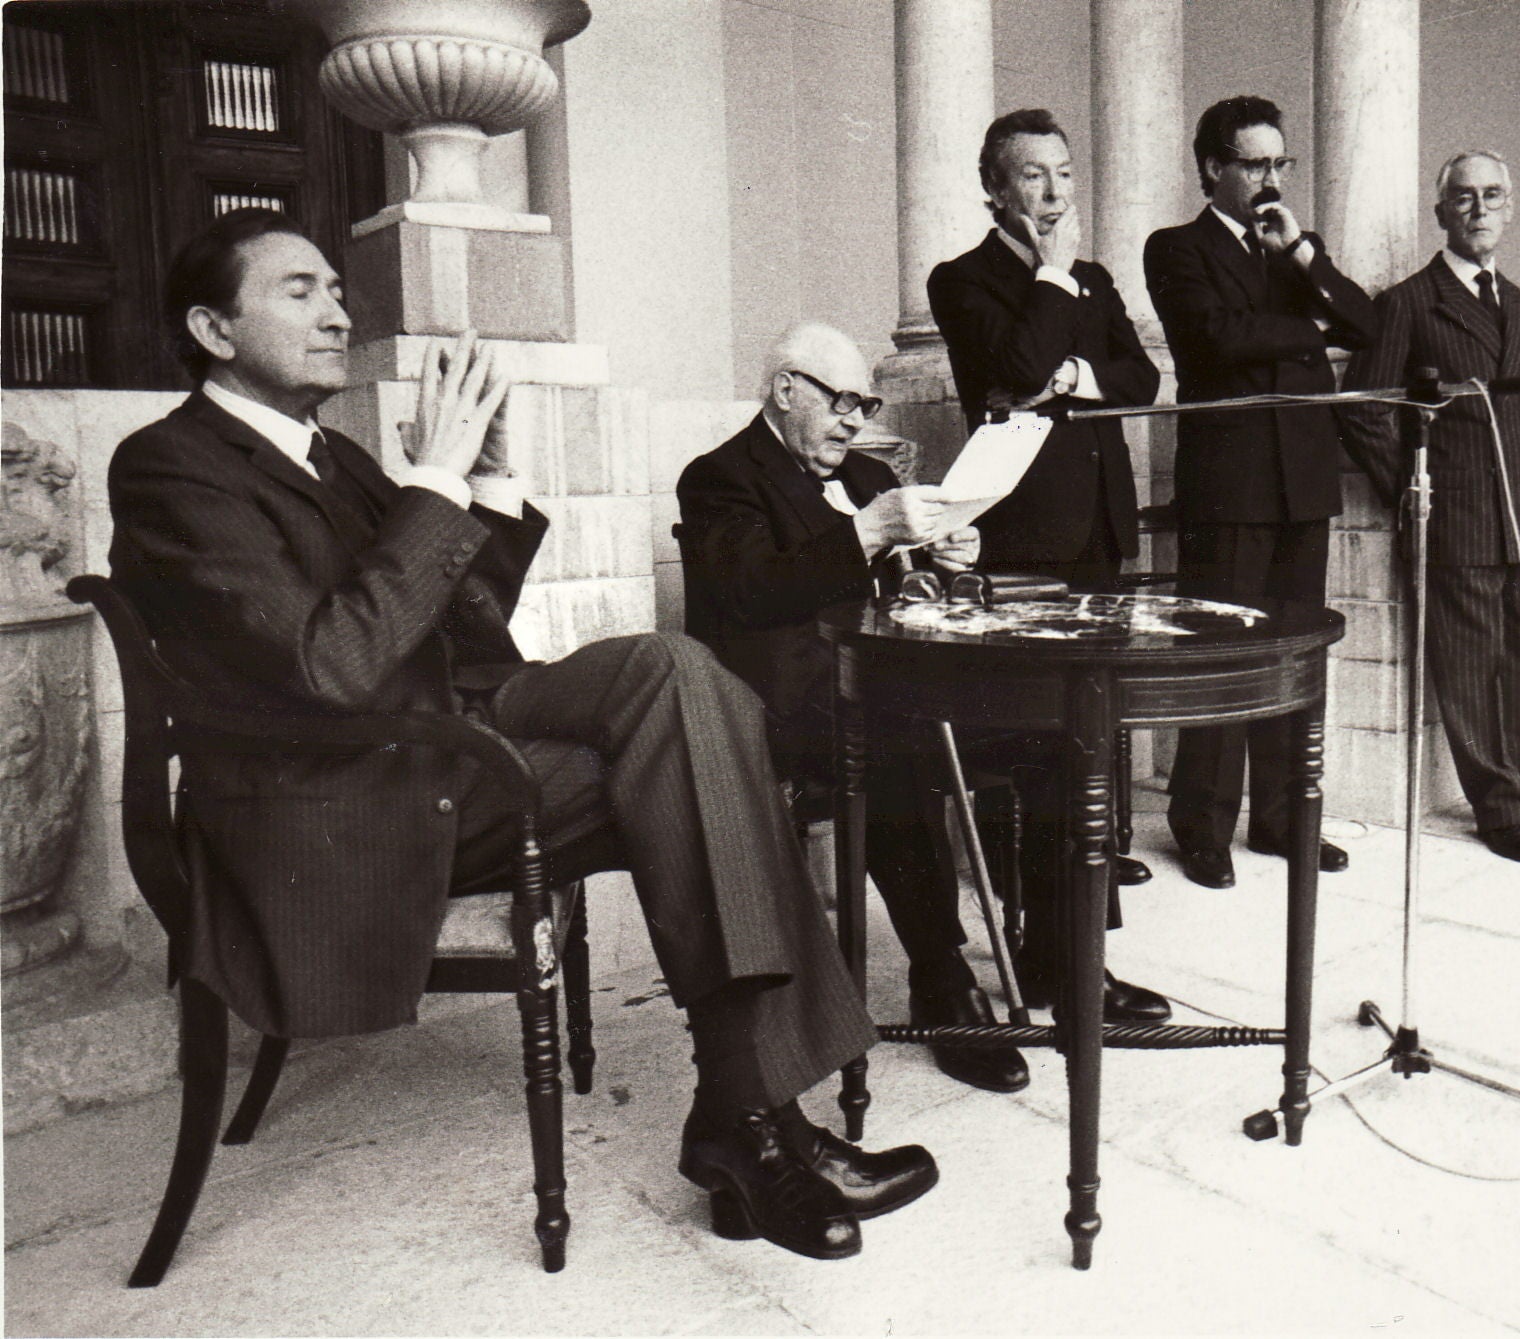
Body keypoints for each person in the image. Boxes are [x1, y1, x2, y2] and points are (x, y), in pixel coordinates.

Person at [107, 208, 934, 1262]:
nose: (336, 312)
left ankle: (746, 1117)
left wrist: (484, 482)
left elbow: (467, 630)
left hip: (434, 735)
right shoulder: (170, 467)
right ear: (213, 330)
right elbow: (333, 668)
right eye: (299, 291)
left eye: (334, 288)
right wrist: (432, 483)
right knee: (691, 756)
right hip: (341, 805)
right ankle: (752, 1123)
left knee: (680, 672)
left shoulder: (338, 459)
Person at [676, 321, 1031, 1095]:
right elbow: (753, 589)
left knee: (1038, 721)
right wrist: (867, 533)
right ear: (785, 389)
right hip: (777, 704)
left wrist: (952, 558)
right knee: (894, 743)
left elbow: (908, 583)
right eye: (841, 401)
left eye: (864, 404)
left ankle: (1056, 958)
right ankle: (942, 977)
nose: (854, 419)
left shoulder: (867, 474)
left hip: (881, 686)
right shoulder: (718, 478)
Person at [1143, 94, 1377, 889]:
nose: (1272, 178)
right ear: (1214, 168)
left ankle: (1283, 819)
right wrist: (1313, 332)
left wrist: (1307, 259)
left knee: (1292, 655)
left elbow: (1370, 326)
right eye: (1256, 163)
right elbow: (1215, 339)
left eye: (1282, 163)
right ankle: (1201, 824)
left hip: (1302, 481)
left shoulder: (1293, 252)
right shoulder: (1174, 247)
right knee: (1220, 654)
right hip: (1232, 482)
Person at [928, 106, 1161, 890]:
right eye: (1034, 176)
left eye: (1065, 174)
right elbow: (1019, 363)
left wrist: (1069, 378)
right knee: (1025, 724)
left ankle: (1086, 862)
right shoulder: (960, 280)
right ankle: (1018, 884)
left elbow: (1141, 378)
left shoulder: (1095, 280)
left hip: (1097, 521)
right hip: (1022, 527)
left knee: (1090, 720)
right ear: (995, 192)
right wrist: (1054, 282)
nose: (1056, 193)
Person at [1340, 151, 1520, 864]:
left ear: (1510, 206)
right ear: (1442, 212)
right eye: (1464, 197)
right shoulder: (1409, 303)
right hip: (1453, 511)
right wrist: (1419, 488)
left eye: (1492, 195)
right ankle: (1501, 806)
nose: (1479, 208)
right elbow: (1364, 412)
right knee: (1471, 664)